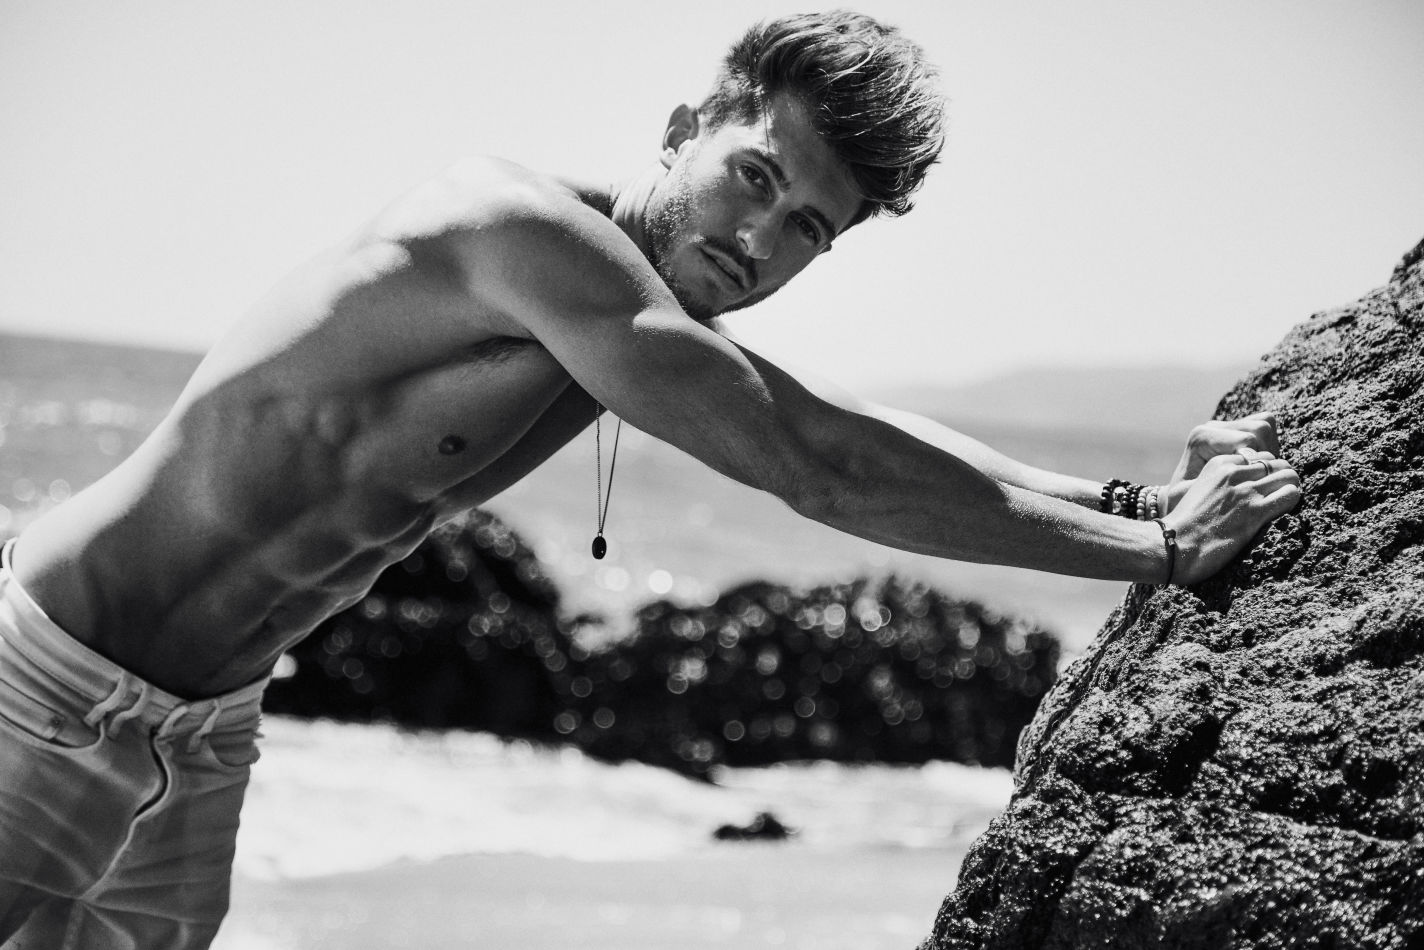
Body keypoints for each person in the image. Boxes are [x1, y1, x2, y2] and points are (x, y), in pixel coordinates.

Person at [0, 11, 1300, 948]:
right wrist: (1161, 557)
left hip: (207, 729)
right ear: (683, 130)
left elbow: (844, 425)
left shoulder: (645, 316)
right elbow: (820, 469)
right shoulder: (517, 235)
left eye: (807, 228)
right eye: (754, 177)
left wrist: (1137, 503)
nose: (759, 238)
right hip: (49, 685)